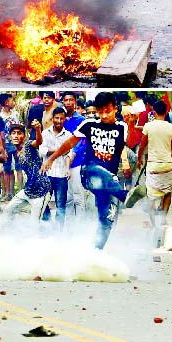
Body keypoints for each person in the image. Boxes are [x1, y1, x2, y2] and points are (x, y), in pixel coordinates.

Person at [41, 92, 131, 250]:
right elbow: (68, 144)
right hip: (90, 173)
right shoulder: (89, 124)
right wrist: (51, 159)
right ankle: (125, 195)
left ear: (115, 109)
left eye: (107, 111)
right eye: (100, 111)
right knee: (101, 172)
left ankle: (95, 252)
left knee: (107, 220)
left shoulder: (122, 127)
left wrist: (125, 163)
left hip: (109, 183)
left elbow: (123, 147)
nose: (103, 115)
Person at [136, 100, 172, 248]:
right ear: (166, 112)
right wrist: (168, 157)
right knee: (167, 194)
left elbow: (142, 144)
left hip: (153, 167)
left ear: (153, 112)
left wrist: (140, 159)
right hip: (167, 166)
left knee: (152, 199)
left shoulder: (148, 126)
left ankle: (155, 225)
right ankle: (162, 220)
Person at [3, 122, 52, 223]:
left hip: (41, 190)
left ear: (24, 136)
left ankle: (44, 235)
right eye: (13, 133)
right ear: (10, 136)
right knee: (8, 210)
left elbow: (38, 142)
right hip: (28, 189)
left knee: (34, 223)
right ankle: (11, 232)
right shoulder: (17, 152)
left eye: (19, 133)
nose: (16, 136)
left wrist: (38, 129)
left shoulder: (28, 145)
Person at [38, 107, 71, 229]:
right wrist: (59, 151)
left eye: (61, 118)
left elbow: (69, 153)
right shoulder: (45, 133)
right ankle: (47, 226)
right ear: (52, 119)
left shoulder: (68, 135)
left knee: (61, 205)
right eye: (56, 118)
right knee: (43, 202)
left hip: (61, 174)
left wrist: (68, 169)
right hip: (47, 173)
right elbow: (42, 150)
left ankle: (59, 230)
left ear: (65, 119)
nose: (59, 120)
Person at [61, 92, 87, 218]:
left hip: (77, 162)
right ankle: (69, 225)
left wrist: (74, 153)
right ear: (62, 102)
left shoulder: (81, 120)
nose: (68, 102)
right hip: (62, 162)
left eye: (71, 100)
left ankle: (80, 224)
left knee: (78, 194)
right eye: (66, 100)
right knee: (68, 196)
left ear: (75, 101)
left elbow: (84, 140)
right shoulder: (61, 119)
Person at [0, 92, 23, 202]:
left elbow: (20, 128)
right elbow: (1, 134)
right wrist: (3, 149)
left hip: (17, 145)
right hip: (6, 146)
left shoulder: (16, 114)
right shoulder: (0, 117)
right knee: (7, 170)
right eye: (12, 101)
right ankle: (9, 192)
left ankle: (21, 191)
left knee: (19, 168)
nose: (14, 102)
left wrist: (21, 145)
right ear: (6, 103)